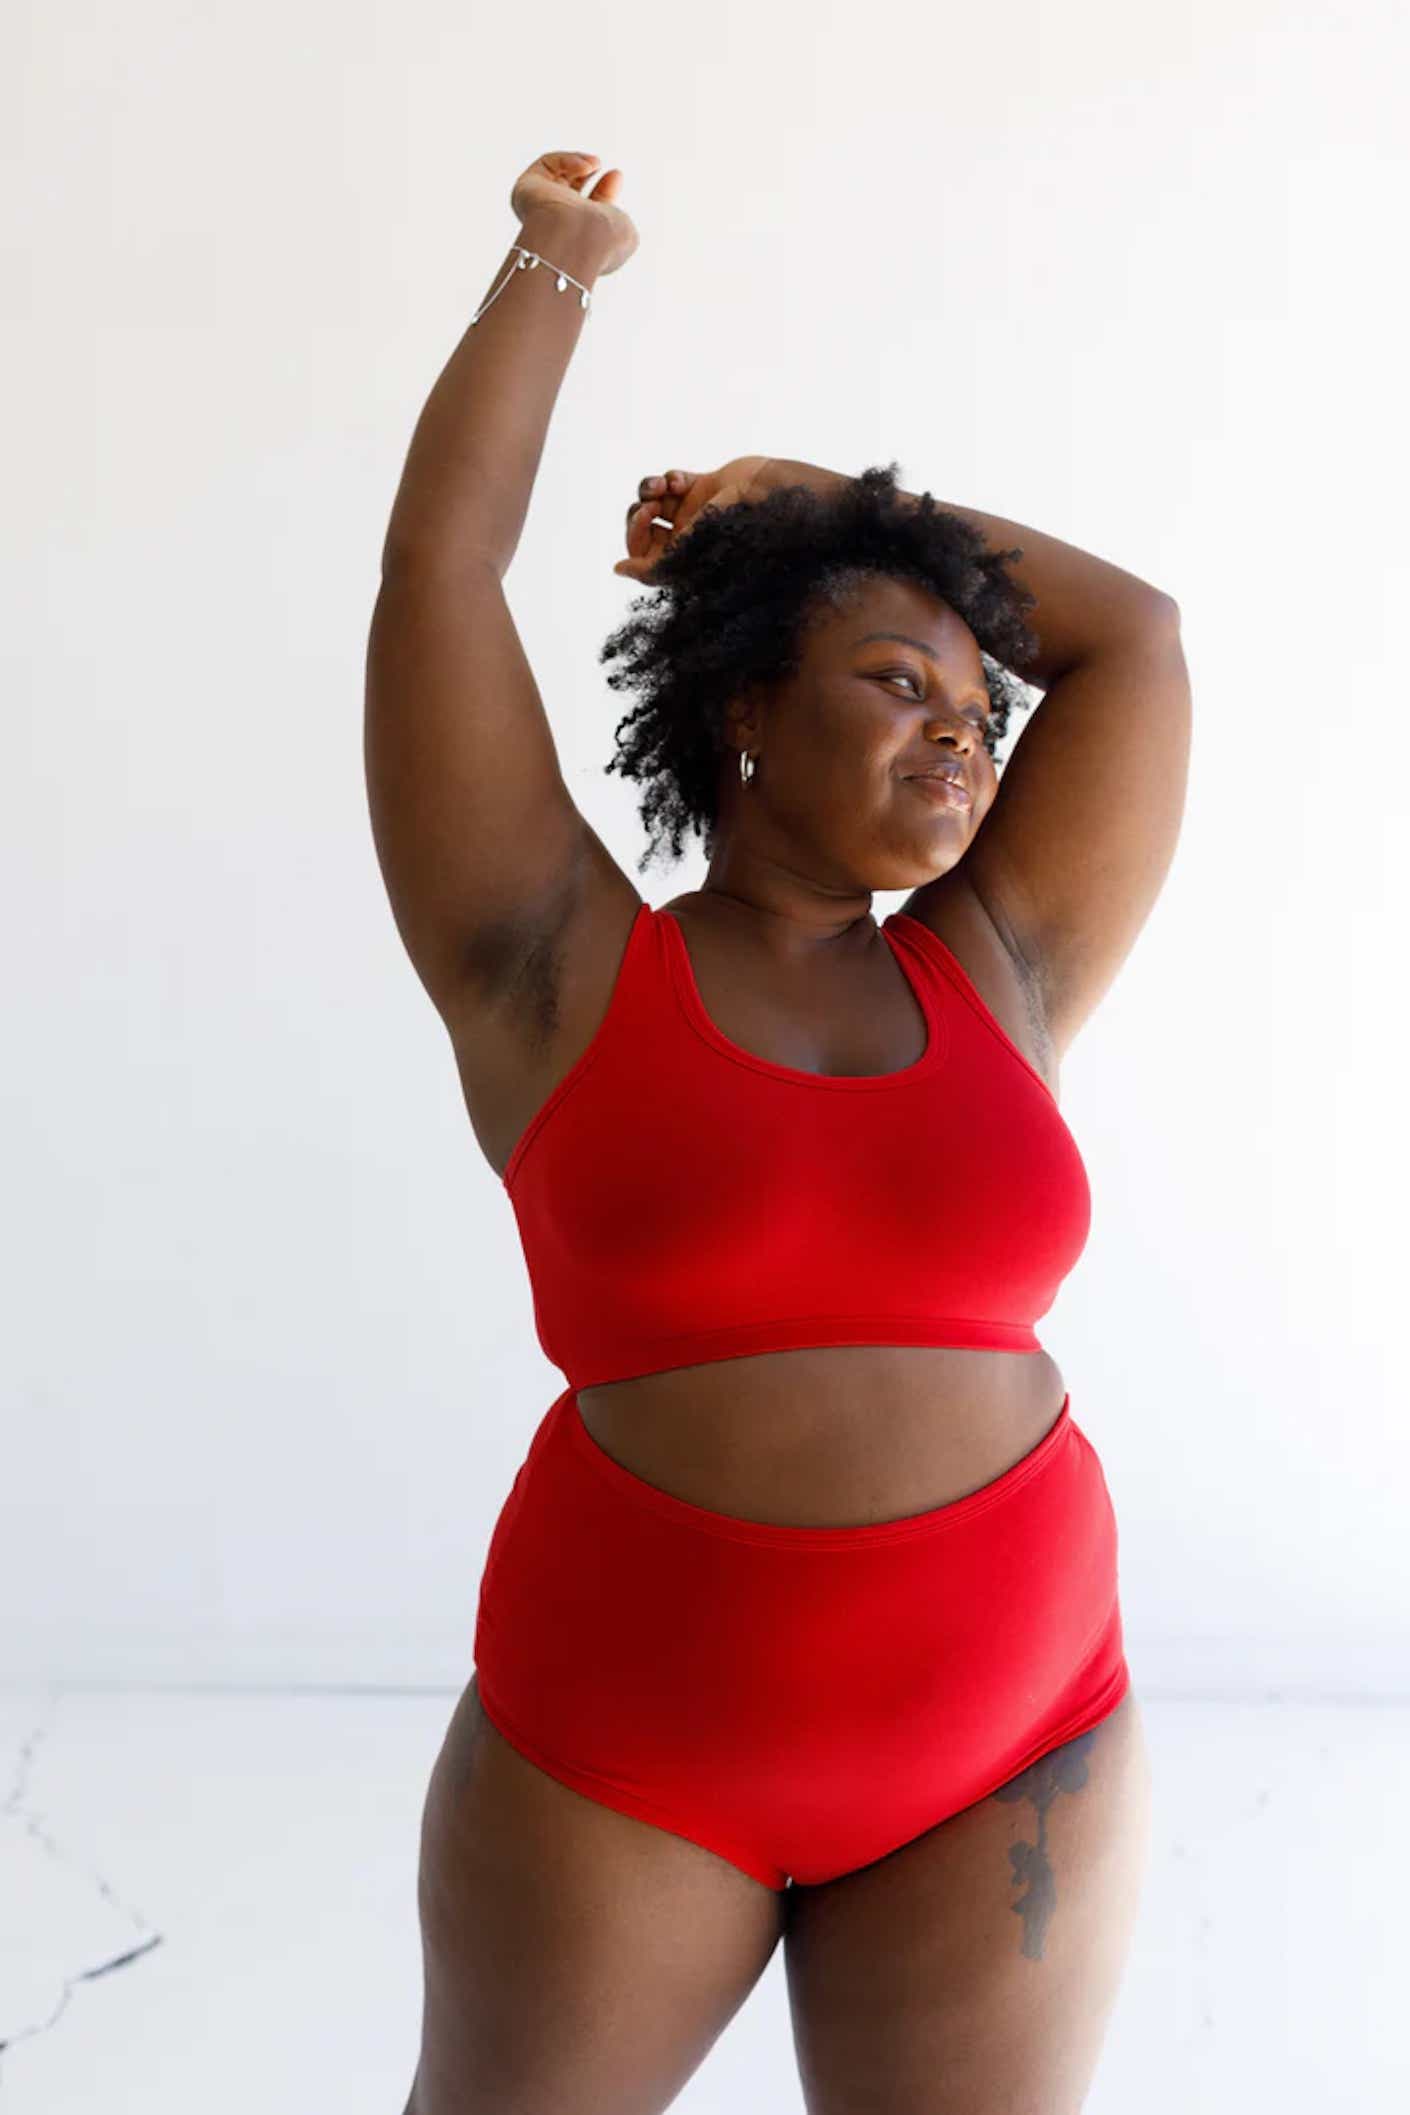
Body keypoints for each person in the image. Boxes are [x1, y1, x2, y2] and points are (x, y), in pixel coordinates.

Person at [365, 147, 1191, 2115]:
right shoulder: (548, 965)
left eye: (979, 715)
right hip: (628, 1756)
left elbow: (1136, 636)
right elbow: (439, 579)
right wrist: (554, 270)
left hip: (1018, 1740)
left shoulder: (995, 970)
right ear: (742, 711)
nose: (961, 739)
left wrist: (816, 506)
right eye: (898, 682)